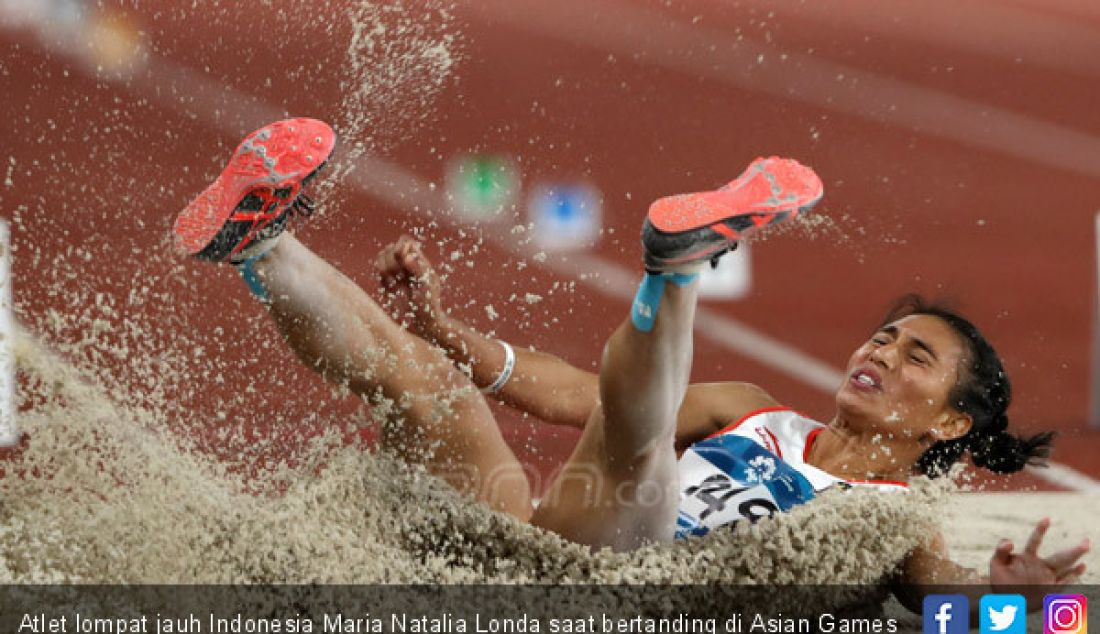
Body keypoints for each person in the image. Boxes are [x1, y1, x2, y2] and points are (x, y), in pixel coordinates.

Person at [174, 118, 1089, 611]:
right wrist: (450, 331)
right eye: (885, 337)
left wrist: (1035, 605)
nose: (881, 352)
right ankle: (261, 248)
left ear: (950, 425)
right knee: (428, 383)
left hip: (642, 599)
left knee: (637, 447)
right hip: (541, 553)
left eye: (915, 356)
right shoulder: (753, 409)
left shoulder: (898, 517)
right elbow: (575, 394)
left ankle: (677, 274)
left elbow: (955, 611)